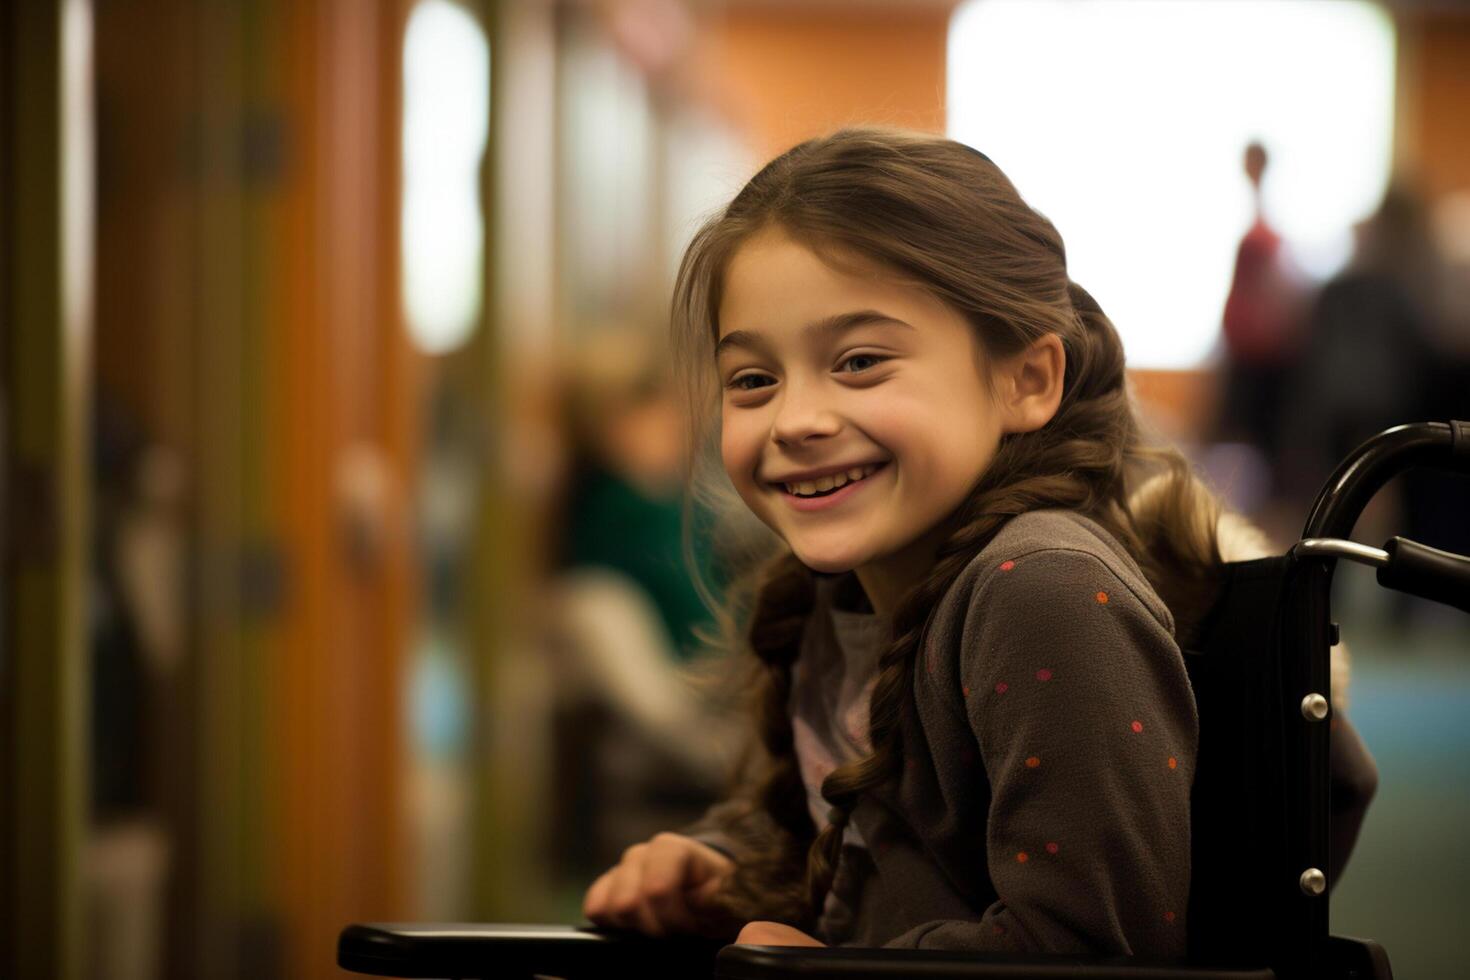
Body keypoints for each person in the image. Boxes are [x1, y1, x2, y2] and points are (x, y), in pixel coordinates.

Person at [581, 129, 1374, 957]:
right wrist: (720, 865)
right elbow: (857, 835)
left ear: (1025, 381)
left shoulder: (1041, 592)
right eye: (753, 379)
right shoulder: (849, 586)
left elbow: (1084, 950)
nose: (795, 420)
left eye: (858, 361)